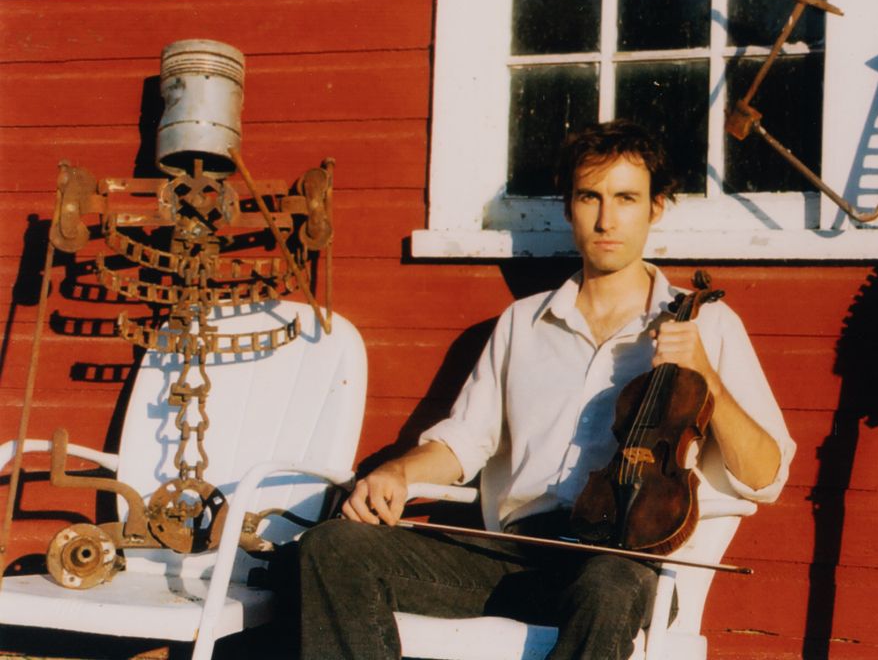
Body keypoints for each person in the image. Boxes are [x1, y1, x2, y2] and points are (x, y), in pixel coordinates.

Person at [298, 120, 795, 659]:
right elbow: (463, 442)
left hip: (622, 563)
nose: (606, 220)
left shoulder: (707, 325)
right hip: (516, 556)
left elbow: (765, 476)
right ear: (568, 207)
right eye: (589, 197)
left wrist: (706, 376)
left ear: (656, 208)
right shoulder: (522, 323)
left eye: (626, 198)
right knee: (334, 547)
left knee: (608, 586)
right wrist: (399, 472)